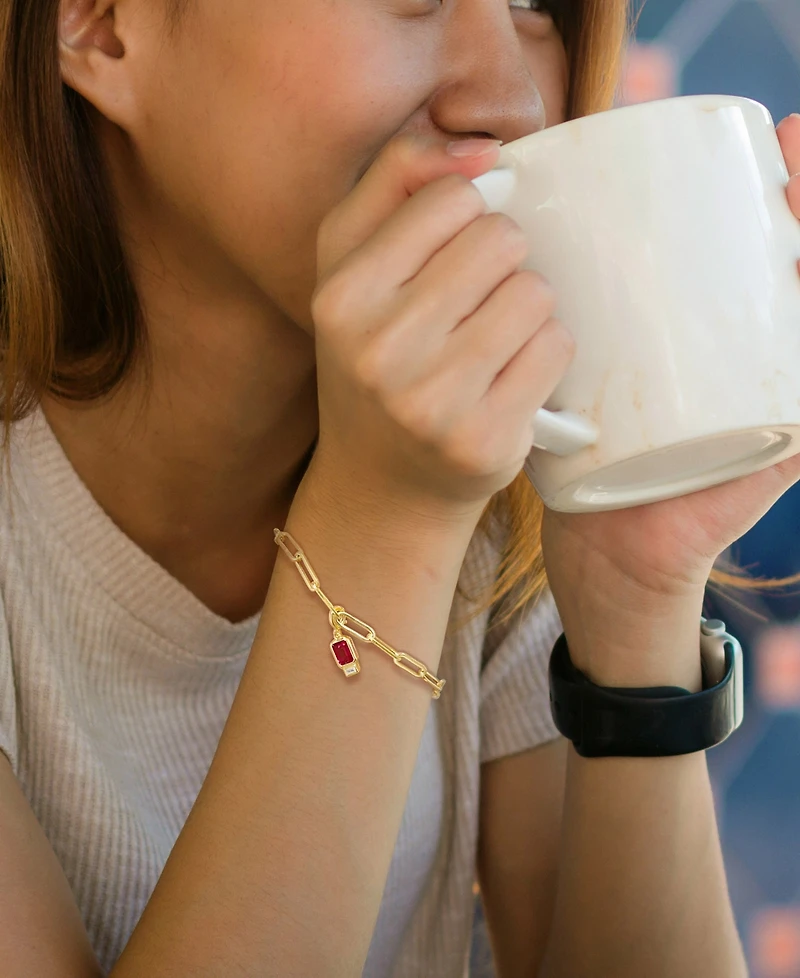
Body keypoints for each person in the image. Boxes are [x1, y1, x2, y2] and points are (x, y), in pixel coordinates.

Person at [0, 0, 799, 975]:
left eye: (533, 6)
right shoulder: (424, 476)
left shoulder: (495, 467)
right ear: (97, 24)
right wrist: (380, 522)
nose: (505, 95)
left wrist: (634, 609)